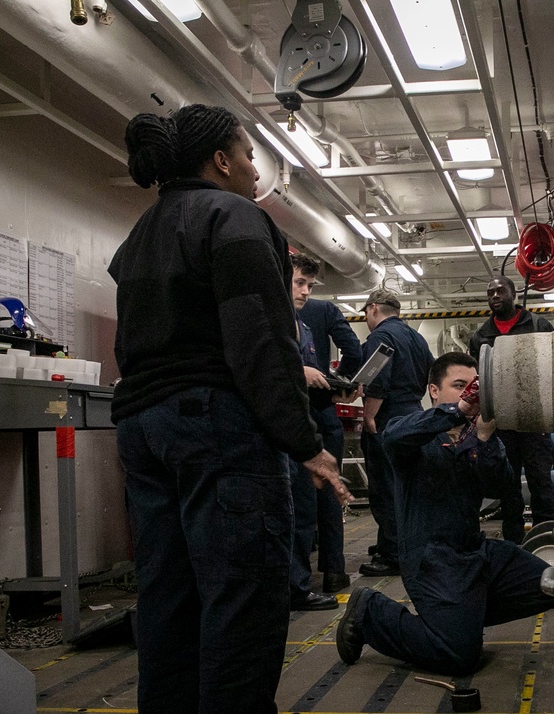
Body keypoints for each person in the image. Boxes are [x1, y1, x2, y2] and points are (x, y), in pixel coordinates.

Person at [109, 104, 349, 714]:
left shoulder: (140, 235)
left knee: (169, 599)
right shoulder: (233, 216)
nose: (251, 168)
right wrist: (305, 443)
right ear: (220, 160)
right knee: (242, 599)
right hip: (214, 429)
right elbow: (261, 344)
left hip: (143, 429)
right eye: (247, 155)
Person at [334, 352, 554, 674]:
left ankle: (461, 616)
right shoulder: (415, 432)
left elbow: (501, 487)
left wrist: (485, 437)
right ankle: (371, 612)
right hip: (435, 559)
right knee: (457, 655)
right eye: (458, 386)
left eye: (472, 387)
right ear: (433, 390)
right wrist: (456, 412)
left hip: (476, 550)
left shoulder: (479, 438)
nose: (466, 394)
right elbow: (392, 437)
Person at [288, 253, 359, 609]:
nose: (304, 292)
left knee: (306, 500)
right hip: (302, 420)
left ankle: (299, 581)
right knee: (307, 503)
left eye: (309, 286)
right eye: (299, 283)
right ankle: (317, 576)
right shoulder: (289, 319)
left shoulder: (302, 323)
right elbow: (353, 351)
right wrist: (324, 379)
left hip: (305, 419)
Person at [468, 276, 554, 543]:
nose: (495, 295)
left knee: (540, 482)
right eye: (490, 292)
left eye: (500, 290)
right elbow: (478, 379)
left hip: (535, 419)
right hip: (502, 421)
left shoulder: (539, 325)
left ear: (514, 294)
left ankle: (547, 540)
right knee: (509, 487)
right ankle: (514, 544)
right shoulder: (480, 336)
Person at [358, 288, 434, 577]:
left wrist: (369, 418)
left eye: (365, 313)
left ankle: (391, 554)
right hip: (413, 412)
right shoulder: (416, 337)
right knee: (407, 485)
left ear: (374, 308)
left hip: (388, 416)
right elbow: (430, 372)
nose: (366, 318)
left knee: (385, 487)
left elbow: (379, 380)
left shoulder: (380, 337)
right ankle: (400, 543)